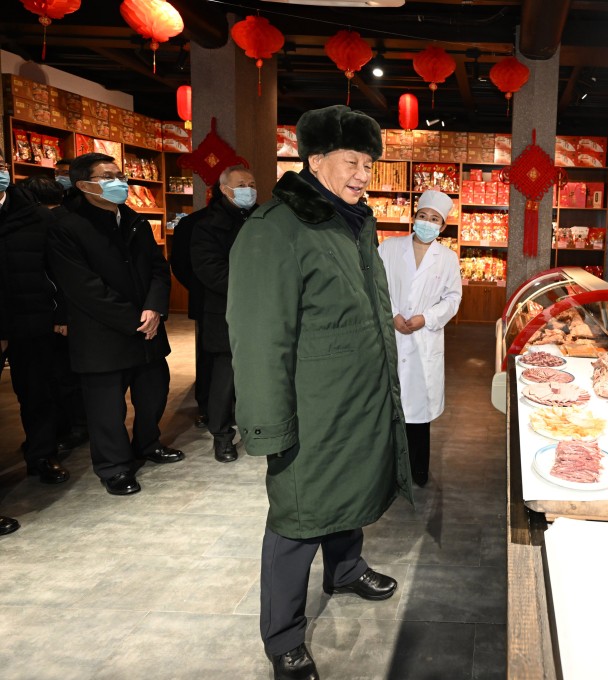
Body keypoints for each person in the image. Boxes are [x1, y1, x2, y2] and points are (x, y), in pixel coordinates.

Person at [226, 105, 412, 680]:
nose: (362, 175)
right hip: (310, 408)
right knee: (297, 515)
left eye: (368, 165)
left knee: (350, 488)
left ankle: (346, 569)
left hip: (357, 398)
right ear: (314, 160)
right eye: (351, 162)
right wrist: (269, 425)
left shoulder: (351, 221)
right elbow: (259, 338)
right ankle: (283, 636)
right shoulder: (275, 228)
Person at [48, 153, 184, 496]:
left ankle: (148, 444)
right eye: (108, 177)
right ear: (84, 185)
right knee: (106, 408)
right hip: (102, 334)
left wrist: (154, 308)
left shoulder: (134, 220)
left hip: (147, 327)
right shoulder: (67, 227)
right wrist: (135, 319)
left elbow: (158, 268)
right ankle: (114, 467)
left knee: (153, 392)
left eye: (120, 175)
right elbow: (84, 288)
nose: (119, 182)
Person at [378, 190, 462, 486]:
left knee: (418, 412)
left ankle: (418, 470)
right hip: (392, 335)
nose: (427, 222)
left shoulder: (447, 258)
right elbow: (376, 285)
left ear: (443, 226)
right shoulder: (390, 248)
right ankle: (389, 470)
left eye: (434, 219)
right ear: (414, 218)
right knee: (388, 409)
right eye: (423, 216)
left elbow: (453, 298)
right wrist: (392, 315)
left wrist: (425, 318)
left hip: (424, 339)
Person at [0, 155, 70, 485]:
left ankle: (42, 455)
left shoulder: (36, 215)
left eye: (1, 164)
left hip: (31, 318)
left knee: (38, 391)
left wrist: (61, 312)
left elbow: (58, 269)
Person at [191, 164, 257, 462]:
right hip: (226, 311)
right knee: (225, 377)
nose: (248, 190)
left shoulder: (262, 219)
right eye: (241, 185)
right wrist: (254, 287)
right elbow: (210, 271)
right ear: (224, 189)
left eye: (252, 184)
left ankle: (256, 429)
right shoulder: (207, 225)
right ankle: (221, 436)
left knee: (258, 375)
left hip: (263, 310)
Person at [20, 174, 90, 455]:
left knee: (63, 376)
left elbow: (61, 274)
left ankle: (74, 427)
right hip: (55, 313)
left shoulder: (54, 224)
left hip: (60, 314)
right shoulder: (68, 219)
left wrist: (62, 314)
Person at [169, 191, 212, 429]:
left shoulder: (256, 217)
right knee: (209, 357)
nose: (247, 190)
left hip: (211, 299)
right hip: (207, 302)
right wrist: (198, 287)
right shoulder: (193, 223)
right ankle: (206, 406)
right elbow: (180, 264)